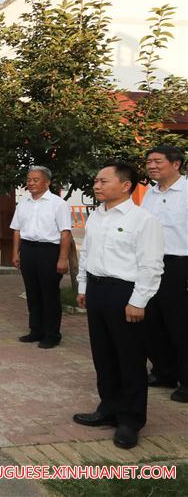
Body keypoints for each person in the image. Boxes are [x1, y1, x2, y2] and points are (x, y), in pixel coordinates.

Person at [73, 162, 164, 450]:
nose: (97, 185)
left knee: (130, 358)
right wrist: (84, 287)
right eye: (96, 180)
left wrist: (138, 301)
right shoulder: (97, 216)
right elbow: (87, 253)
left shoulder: (143, 219)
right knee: (104, 355)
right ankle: (108, 408)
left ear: (125, 185)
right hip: (98, 291)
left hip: (125, 294)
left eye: (103, 181)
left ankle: (130, 420)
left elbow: (151, 265)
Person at [141, 145, 188, 402]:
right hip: (151, 264)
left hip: (179, 265)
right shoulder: (150, 193)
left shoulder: (187, 192)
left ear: (176, 164)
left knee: (180, 325)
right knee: (152, 322)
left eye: (158, 161)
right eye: (149, 162)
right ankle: (163, 371)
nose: (151, 166)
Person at [10, 166, 73, 348]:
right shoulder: (23, 203)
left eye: (36, 180)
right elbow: (17, 230)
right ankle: (35, 330)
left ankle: (52, 334)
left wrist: (62, 258)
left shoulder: (57, 203)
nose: (31, 183)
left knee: (49, 294)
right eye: (29, 180)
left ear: (47, 182)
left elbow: (65, 233)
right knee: (32, 293)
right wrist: (16, 253)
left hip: (49, 251)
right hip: (28, 250)